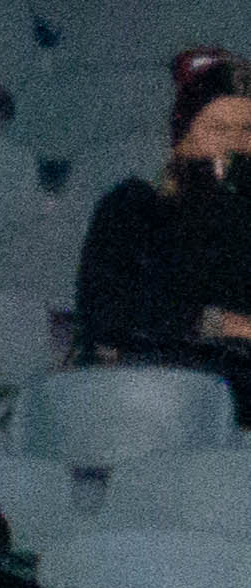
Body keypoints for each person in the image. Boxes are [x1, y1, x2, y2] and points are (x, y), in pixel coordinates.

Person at [80, 49, 251, 410]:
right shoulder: (134, 206)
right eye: (218, 128)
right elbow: (109, 310)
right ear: (183, 132)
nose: (235, 144)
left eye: (247, 130)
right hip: (152, 384)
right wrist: (221, 322)